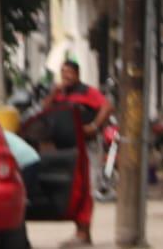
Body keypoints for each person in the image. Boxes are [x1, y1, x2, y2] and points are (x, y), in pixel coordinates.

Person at [41, 59, 114, 246]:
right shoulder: (59, 94)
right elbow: (44, 110)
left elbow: (107, 106)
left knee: (87, 188)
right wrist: (53, 93)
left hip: (87, 147)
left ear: (77, 74)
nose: (66, 76)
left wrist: (94, 126)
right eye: (63, 72)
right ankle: (82, 232)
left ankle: (83, 232)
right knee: (75, 189)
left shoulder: (86, 91)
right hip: (68, 149)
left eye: (70, 72)